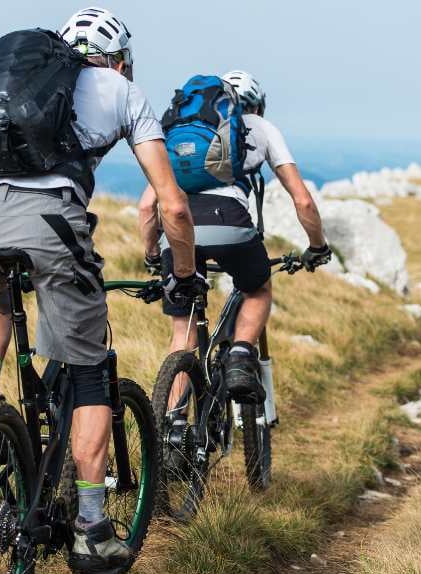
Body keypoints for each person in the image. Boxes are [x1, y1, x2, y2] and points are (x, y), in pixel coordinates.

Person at [0, 7, 200, 574]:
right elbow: (173, 205)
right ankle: (91, 529)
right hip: (48, 226)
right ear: (121, 59)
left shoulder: (9, 83)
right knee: (90, 372)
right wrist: (181, 274)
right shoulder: (120, 90)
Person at [139, 69, 331, 402]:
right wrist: (317, 246)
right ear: (256, 105)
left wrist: (153, 254)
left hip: (178, 229)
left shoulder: (181, 132)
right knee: (258, 287)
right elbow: (302, 200)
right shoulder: (261, 127)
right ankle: (242, 354)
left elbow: (145, 208)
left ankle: (172, 427)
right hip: (231, 221)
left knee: (182, 334)